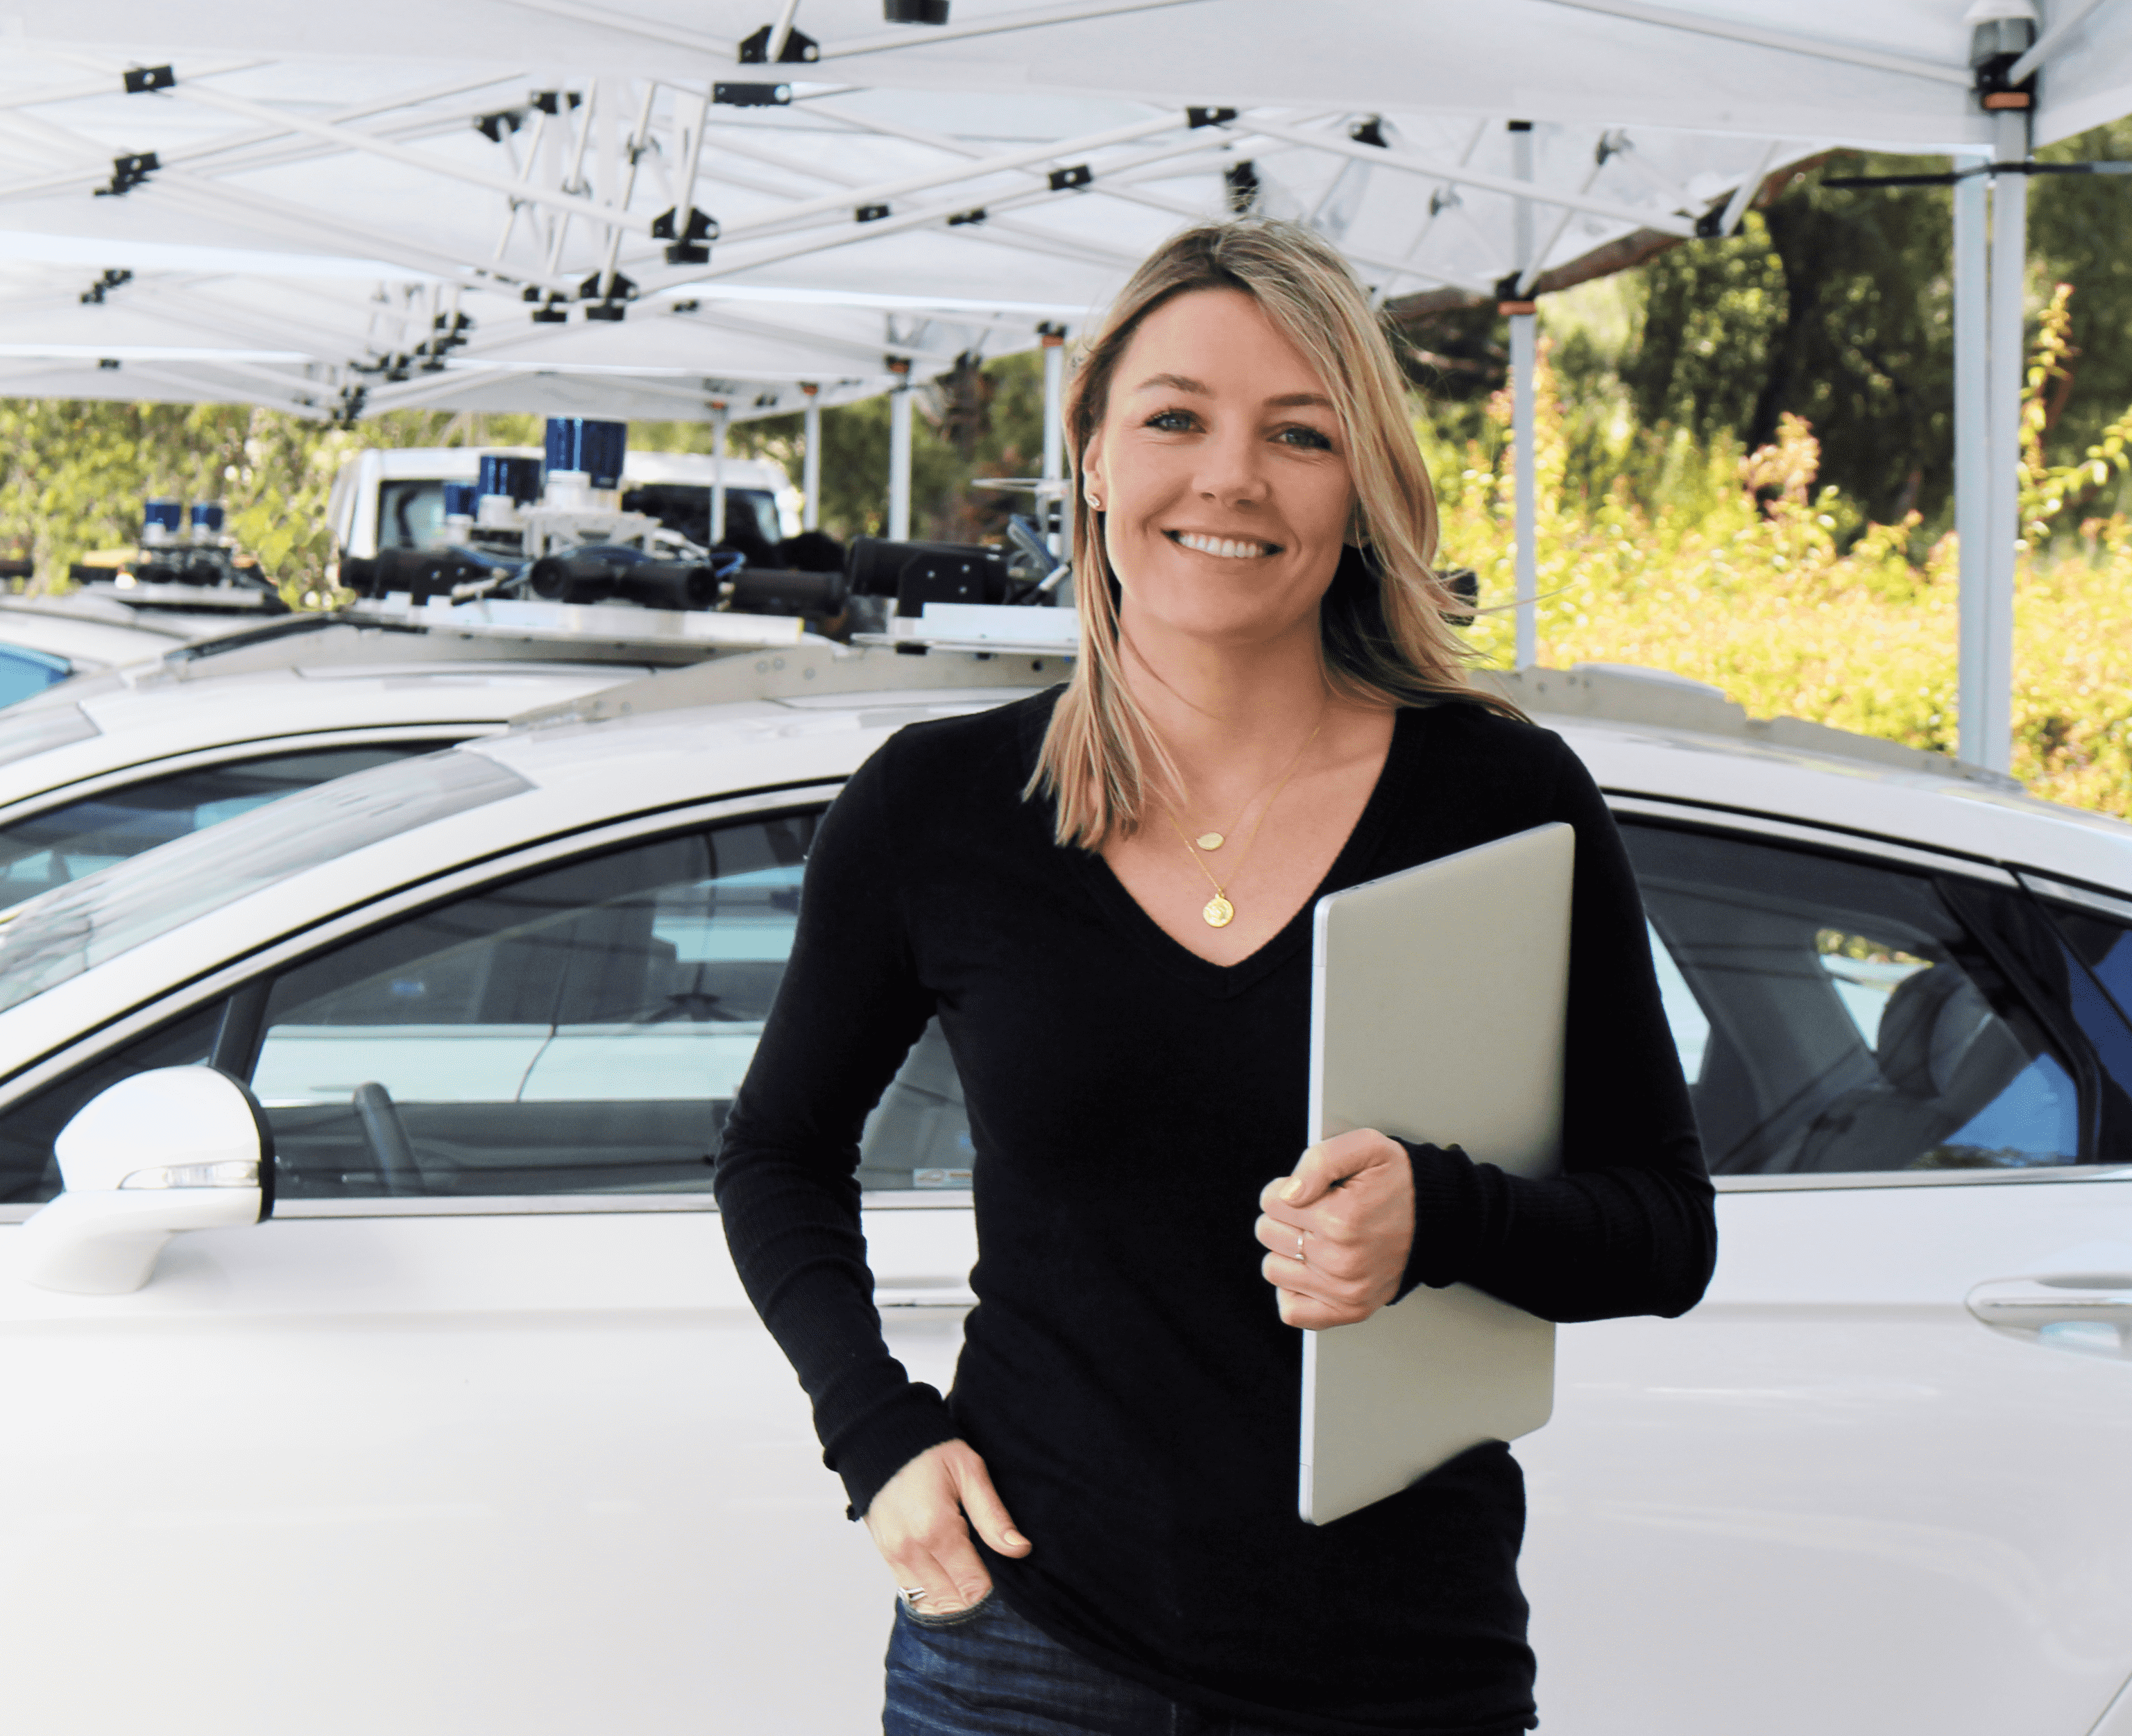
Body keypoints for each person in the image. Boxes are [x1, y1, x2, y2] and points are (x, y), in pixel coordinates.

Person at [715, 219, 1714, 1736]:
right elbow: (774, 1154)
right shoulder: (940, 807)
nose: (1229, 477)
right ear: (1095, 461)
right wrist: (876, 1439)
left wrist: (1441, 1214)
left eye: (1297, 434)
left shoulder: (1502, 799)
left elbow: (1664, 1234)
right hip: (1023, 1648)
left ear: (1362, 488)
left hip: (1396, 1668)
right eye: (1174, 417)